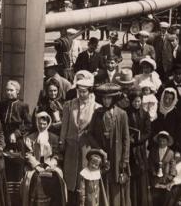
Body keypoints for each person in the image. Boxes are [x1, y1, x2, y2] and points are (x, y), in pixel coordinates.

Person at [60, 71, 101, 204]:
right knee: (70, 178)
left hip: (86, 148)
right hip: (71, 147)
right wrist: (62, 142)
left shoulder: (96, 107)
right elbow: (64, 126)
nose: (82, 94)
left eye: (84, 91)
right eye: (80, 91)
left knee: (83, 178)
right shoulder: (69, 105)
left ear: (90, 91)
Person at [89, 83, 131, 206]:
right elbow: (90, 134)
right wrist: (99, 150)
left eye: (109, 98)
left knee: (116, 184)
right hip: (103, 155)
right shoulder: (97, 113)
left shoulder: (122, 114)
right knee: (103, 182)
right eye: (104, 98)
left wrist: (125, 158)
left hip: (117, 155)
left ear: (114, 99)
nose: (106, 101)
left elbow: (126, 138)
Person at [20, 112, 66, 206]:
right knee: (35, 178)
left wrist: (50, 164)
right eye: (40, 123)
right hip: (34, 166)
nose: (42, 126)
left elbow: (57, 154)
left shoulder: (54, 138)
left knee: (56, 178)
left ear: (48, 124)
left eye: (44, 124)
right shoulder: (30, 138)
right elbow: (28, 154)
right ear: (37, 123)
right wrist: (36, 166)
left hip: (50, 165)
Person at [125, 90, 152, 206]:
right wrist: (128, 139)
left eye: (138, 101)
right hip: (129, 149)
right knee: (132, 174)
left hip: (140, 149)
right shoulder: (125, 113)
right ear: (131, 101)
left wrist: (138, 140)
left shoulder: (145, 114)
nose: (136, 104)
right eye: (134, 101)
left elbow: (148, 132)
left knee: (141, 174)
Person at [152, 88, 181, 154]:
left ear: (174, 100)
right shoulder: (155, 111)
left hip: (171, 149)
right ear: (162, 97)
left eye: (170, 99)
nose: (167, 101)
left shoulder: (178, 115)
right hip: (156, 147)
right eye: (165, 98)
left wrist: (177, 151)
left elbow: (179, 134)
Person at [148, 131, 176, 206]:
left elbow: (173, 165)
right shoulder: (153, 151)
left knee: (164, 198)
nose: (162, 143)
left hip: (165, 178)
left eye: (164, 141)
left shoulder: (171, 152)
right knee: (155, 197)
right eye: (160, 141)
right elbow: (150, 162)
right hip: (156, 178)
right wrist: (153, 171)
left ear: (167, 142)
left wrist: (171, 175)